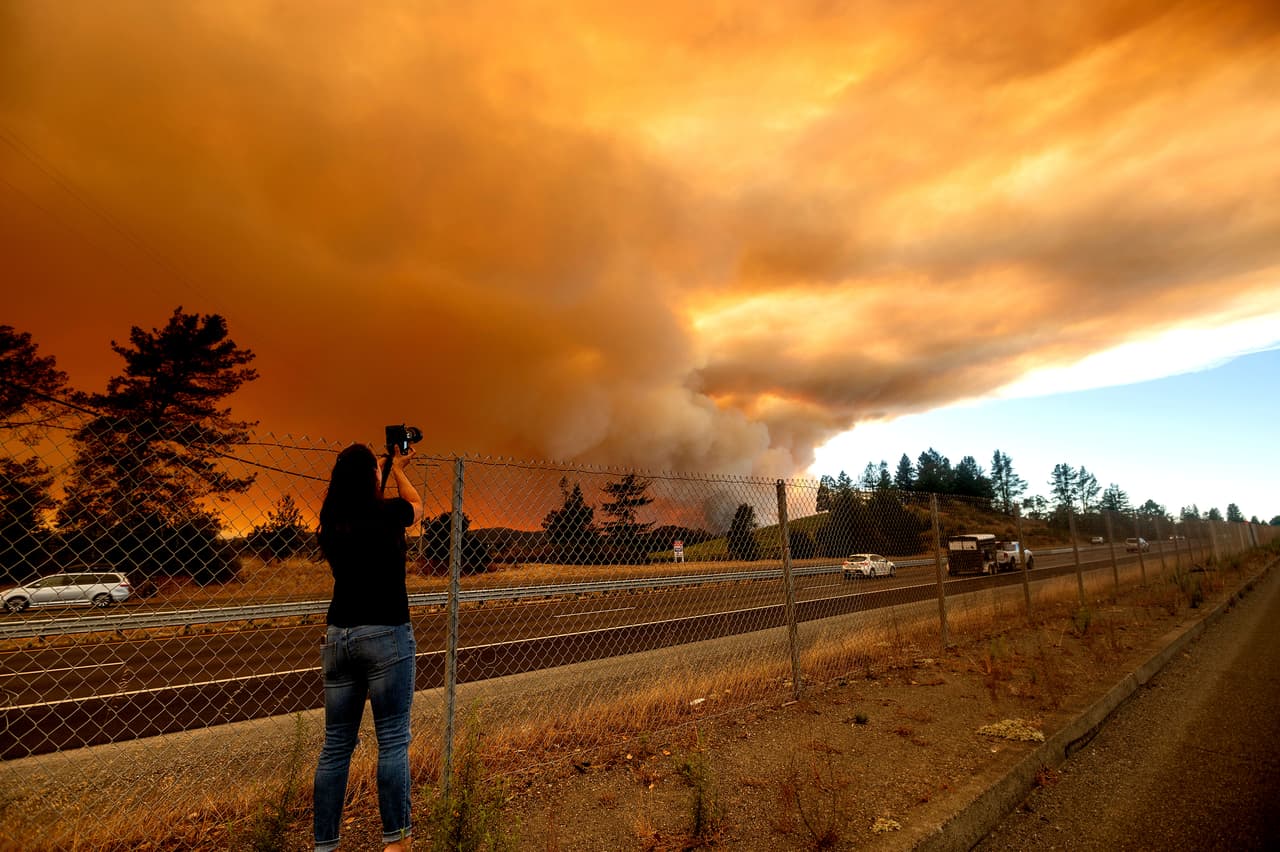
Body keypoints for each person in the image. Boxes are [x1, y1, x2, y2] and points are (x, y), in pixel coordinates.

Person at [313, 442, 423, 852]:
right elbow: (416, 505)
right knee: (392, 739)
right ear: (372, 479)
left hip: (339, 635)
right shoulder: (388, 514)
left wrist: (375, 468)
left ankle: (325, 843)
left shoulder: (331, 519)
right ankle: (395, 842)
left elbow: (352, 492)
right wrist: (397, 469)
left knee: (336, 745)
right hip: (386, 633)